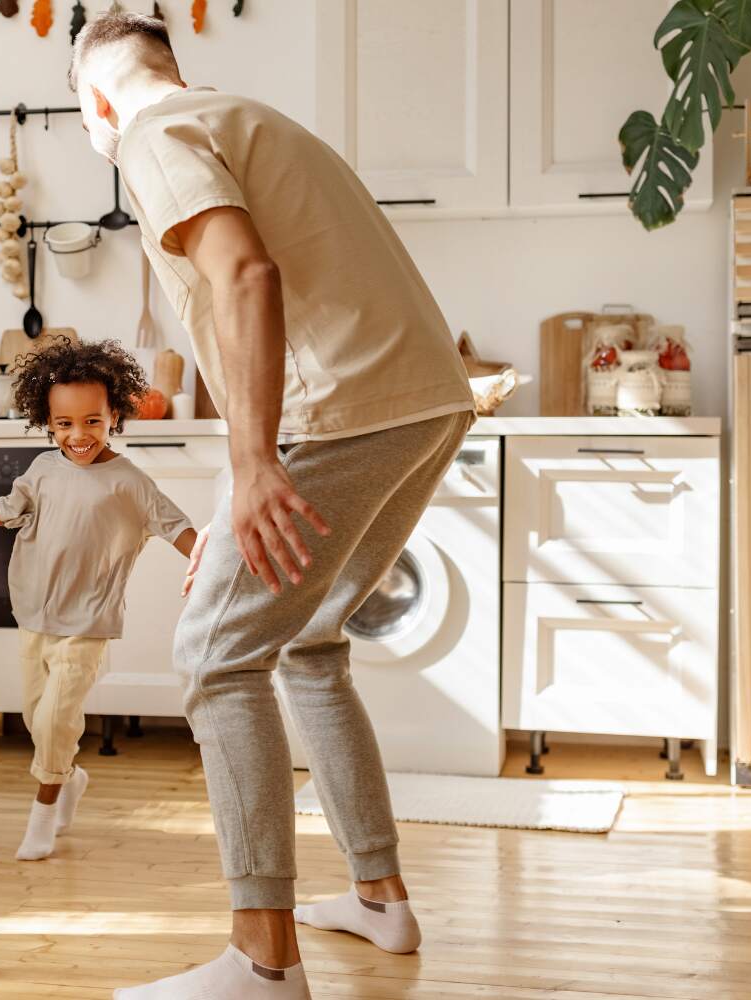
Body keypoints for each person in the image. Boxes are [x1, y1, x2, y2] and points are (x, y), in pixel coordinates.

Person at [67, 13, 477, 998]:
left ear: (93, 101)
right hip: (419, 402)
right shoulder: (247, 117)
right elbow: (268, 320)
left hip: (348, 411)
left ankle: (262, 964)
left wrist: (252, 465)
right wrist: (241, 475)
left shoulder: (150, 136)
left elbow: (249, 277)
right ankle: (379, 897)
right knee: (306, 638)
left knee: (215, 651)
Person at [0, 339, 197, 862]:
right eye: (64, 424)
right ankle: (69, 776)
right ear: (47, 420)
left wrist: (211, 566)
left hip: (87, 623)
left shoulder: (130, 483)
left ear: (117, 414)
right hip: (33, 615)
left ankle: (42, 814)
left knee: (55, 722)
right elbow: (5, 510)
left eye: (92, 421)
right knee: (36, 716)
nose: (78, 435)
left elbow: (180, 529)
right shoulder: (41, 471)